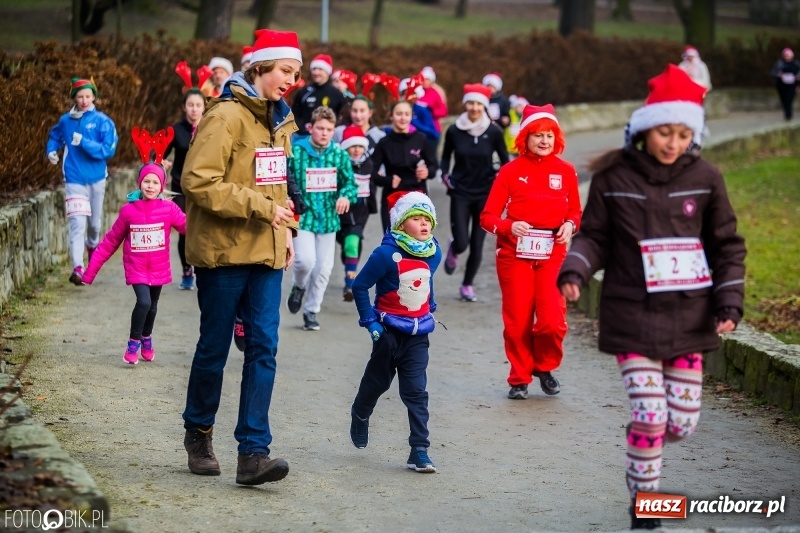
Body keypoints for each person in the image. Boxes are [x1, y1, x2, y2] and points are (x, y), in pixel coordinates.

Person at [556, 64, 746, 530]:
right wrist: (576, 269)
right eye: (665, 132)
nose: (673, 143)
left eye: (683, 134)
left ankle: (646, 436)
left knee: (679, 423)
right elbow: (594, 236)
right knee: (650, 412)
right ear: (645, 130)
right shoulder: (614, 177)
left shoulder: (707, 177)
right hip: (632, 316)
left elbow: (726, 245)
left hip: (689, 318)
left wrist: (728, 301)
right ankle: (646, 504)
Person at [180, 29, 302, 486]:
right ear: (258, 69)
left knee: (263, 349)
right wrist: (263, 208)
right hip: (224, 253)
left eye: (295, 73)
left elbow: (278, 187)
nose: (291, 80)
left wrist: (287, 229)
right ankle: (199, 432)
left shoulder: (281, 120)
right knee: (213, 350)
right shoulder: (226, 116)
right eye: (285, 71)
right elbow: (198, 181)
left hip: (268, 252)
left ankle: (253, 453)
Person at [479, 103, 581, 400]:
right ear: (525, 137)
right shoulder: (510, 172)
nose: (544, 141)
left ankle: (544, 366)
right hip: (514, 254)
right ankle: (519, 378)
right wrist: (510, 227)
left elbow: (575, 210)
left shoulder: (566, 171)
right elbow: (487, 218)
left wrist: (571, 225)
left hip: (552, 252)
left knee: (552, 319)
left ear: (556, 138)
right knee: (518, 319)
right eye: (537, 135)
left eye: (549, 135)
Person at [349, 190, 442, 473]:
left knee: (416, 392)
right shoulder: (385, 254)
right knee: (377, 384)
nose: (424, 224)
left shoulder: (434, 252)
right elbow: (359, 286)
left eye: (427, 219)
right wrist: (371, 323)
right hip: (388, 332)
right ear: (400, 224)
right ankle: (360, 414)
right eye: (416, 218)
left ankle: (419, 449)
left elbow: (427, 279)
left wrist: (431, 305)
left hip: (418, 334)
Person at [81, 137, 186, 365]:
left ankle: (147, 337)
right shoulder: (129, 212)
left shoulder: (169, 209)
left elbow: (189, 228)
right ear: (140, 184)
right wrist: (90, 272)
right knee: (144, 303)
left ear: (162, 186)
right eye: (146, 182)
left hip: (159, 267)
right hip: (137, 267)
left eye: (155, 183)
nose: (150, 186)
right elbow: (110, 242)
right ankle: (133, 342)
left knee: (153, 306)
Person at [285, 106, 358, 331]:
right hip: (304, 216)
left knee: (323, 269)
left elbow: (351, 184)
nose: (324, 133)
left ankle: (311, 311)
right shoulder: (297, 152)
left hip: (328, 219)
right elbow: (285, 180)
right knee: (305, 261)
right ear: (311, 128)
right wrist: (288, 198)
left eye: (329, 129)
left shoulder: (339, 155)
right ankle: (298, 286)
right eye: (320, 128)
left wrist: (346, 196)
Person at [46, 77, 118, 286]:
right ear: (74, 98)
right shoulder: (66, 121)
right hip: (74, 178)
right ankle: (78, 267)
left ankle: (92, 245)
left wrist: (84, 142)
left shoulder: (103, 121)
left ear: (94, 96)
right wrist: (51, 150)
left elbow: (108, 150)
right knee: (77, 223)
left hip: (97, 178)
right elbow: (55, 136)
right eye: (80, 96)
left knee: (94, 225)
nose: (84, 100)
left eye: (88, 96)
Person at [440, 84, 508, 302]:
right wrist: (444, 175)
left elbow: (506, 161)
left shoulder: (494, 132)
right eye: (471, 103)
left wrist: (501, 178)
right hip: (460, 190)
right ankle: (455, 248)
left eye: (479, 103)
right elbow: (445, 157)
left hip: (485, 193)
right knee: (463, 242)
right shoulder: (454, 130)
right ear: (465, 104)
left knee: (478, 244)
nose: (474, 107)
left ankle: (467, 285)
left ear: (484, 105)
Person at [371, 99, 437, 232]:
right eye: (399, 114)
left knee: (417, 243)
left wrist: (427, 172)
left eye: (406, 114)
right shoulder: (384, 143)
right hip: (392, 197)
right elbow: (372, 172)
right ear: (391, 116)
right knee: (393, 244)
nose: (403, 118)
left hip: (417, 194)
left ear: (411, 116)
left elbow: (434, 166)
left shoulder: (421, 139)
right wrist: (388, 180)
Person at [163, 87, 206, 291]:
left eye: (198, 105)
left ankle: (204, 269)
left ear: (204, 107)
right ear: (184, 107)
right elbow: (161, 153)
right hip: (180, 186)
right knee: (185, 230)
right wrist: (161, 163)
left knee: (203, 230)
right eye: (190, 105)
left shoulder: (210, 128)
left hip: (205, 187)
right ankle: (187, 271)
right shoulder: (176, 130)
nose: (194, 109)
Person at [336, 125, 377, 301]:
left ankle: (349, 283)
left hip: (361, 212)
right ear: (345, 147)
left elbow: (373, 184)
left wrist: (373, 205)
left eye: (360, 146)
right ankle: (349, 264)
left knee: (352, 243)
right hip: (340, 212)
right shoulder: (338, 164)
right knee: (347, 244)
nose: (356, 150)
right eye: (352, 146)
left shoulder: (369, 164)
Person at [291, 54, 347, 137]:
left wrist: (330, 130)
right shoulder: (304, 92)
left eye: (320, 69)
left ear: (327, 72)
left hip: (328, 138)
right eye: (314, 69)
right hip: (303, 137)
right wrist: (302, 130)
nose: (316, 72)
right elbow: (294, 115)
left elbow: (343, 116)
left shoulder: (336, 94)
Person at [418, 66, 448, 160]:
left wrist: (431, 111)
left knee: (431, 156)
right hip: (419, 129)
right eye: (424, 79)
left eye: (427, 79)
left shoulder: (435, 93)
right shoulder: (417, 92)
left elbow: (443, 111)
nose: (425, 82)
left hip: (433, 129)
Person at [771, 47, 800, 121]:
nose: (787, 57)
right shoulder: (779, 63)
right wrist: (778, 75)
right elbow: (773, 73)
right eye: (786, 55)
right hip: (781, 85)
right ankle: (787, 114)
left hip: (792, 85)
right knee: (784, 100)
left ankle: (788, 115)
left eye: (788, 55)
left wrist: (797, 81)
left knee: (789, 100)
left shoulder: (796, 64)